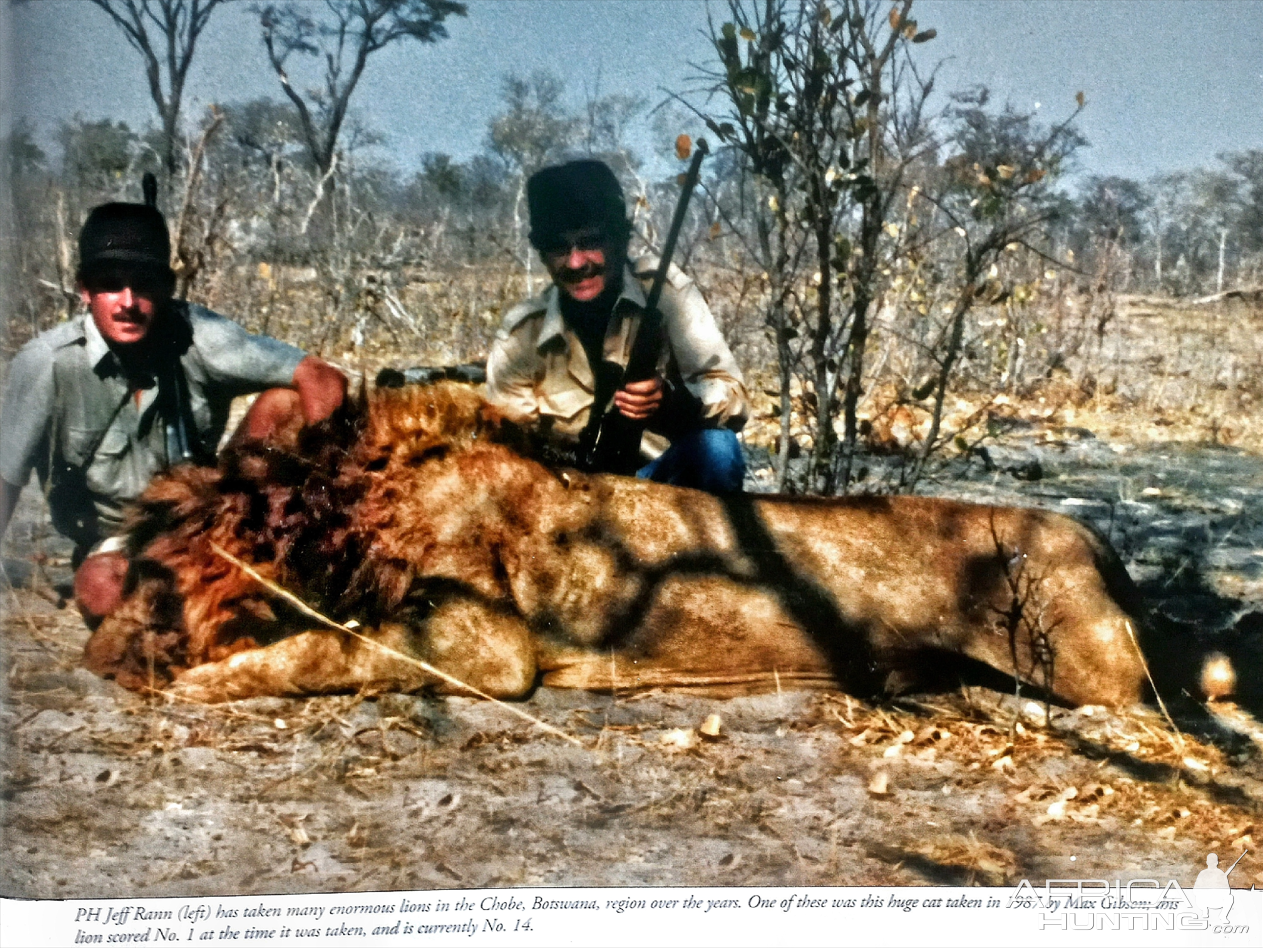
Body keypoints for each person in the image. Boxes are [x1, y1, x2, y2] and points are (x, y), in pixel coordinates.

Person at [0, 194, 346, 626]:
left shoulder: (201, 336)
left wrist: (327, 501)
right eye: (110, 284)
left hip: (207, 512)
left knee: (285, 403)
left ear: (166, 290)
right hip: (117, 537)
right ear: (85, 290)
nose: (128, 301)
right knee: (105, 594)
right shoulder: (47, 363)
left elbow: (322, 378)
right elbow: (6, 476)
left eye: (144, 285)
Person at [486, 159, 749, 493]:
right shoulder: (520, 337)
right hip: (566, 502)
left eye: (590, 241)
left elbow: (734, 395)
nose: (576, 262)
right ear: (542, 255)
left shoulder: (664, 292)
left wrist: (672, 400)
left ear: (620, 240)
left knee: (717, 450)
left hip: (662, 490)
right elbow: (507, 457)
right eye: (558, 248)